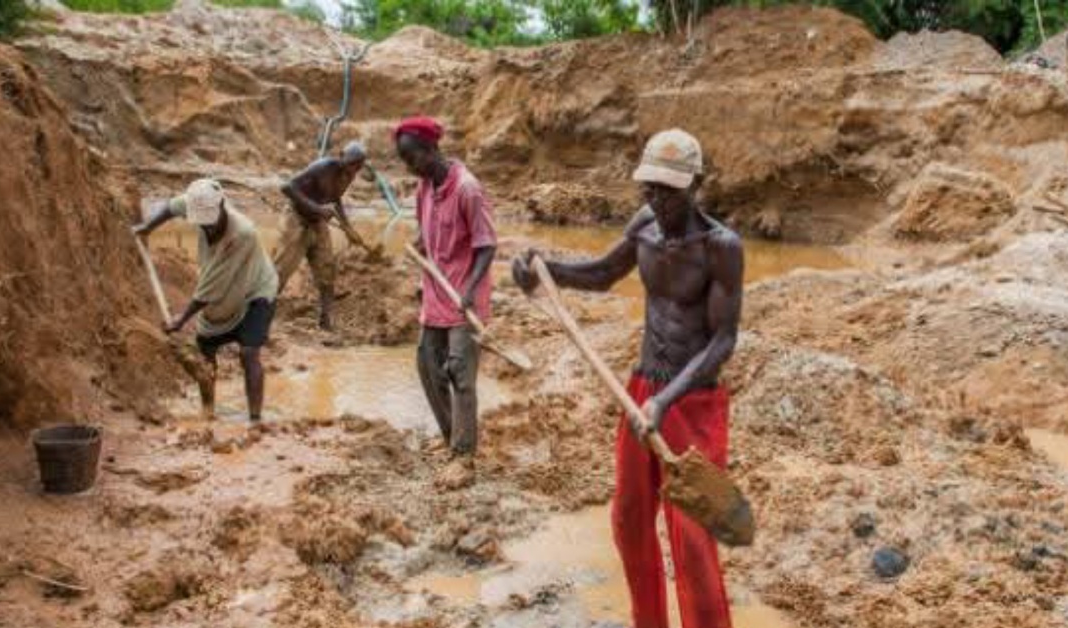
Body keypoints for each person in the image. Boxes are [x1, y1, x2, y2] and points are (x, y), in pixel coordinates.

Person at [512, 129, 743, 628]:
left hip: (693, 403)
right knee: (629, 520)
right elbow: (601, 274)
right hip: (641, 389)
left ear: (696, 184)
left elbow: (722, 341)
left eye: (669, 191)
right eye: (650, 188)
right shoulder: (644, 225)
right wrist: (543, 270)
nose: (657, 200)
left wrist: (667, 401)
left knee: (693, 539)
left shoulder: (721, 247)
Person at [393, 116, 497, 469]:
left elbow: (487, 246)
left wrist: (469, 289)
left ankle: (464, 455)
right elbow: (428, 234)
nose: (409, 167)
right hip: (436, 293)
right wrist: (419, 245)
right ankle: (452, 436)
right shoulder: (423, 188)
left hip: (464, 297)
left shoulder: (468, 189)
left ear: (431, 148)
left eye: (412, 157)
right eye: (404, 160)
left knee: (460, 374)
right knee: (427, 365)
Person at [134, 178, 279, 422]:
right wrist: (147, 227)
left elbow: (212, 285)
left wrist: (182, 319)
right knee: (205, 352)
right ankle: (208, 412)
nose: (207, 228)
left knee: (248, 353)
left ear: (221, 205)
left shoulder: (242, 234)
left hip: (255, 290)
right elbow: (171, 207)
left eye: (210, 222)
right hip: (223, 294)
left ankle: (255, 421)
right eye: (202, 223)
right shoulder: (197, 202)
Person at [273, 141, 368, 330]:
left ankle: (326, 320)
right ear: (341, 156)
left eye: (357, 166)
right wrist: (316, 208)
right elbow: (287, 187)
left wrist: (347, 227)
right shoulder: (323, 167)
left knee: (326, 269)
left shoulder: (348, 175)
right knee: (282, 269)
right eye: (351, 164)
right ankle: (260, 312)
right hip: (296, 217)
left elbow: (336, 198)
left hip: (317, 222)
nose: (353, 170)